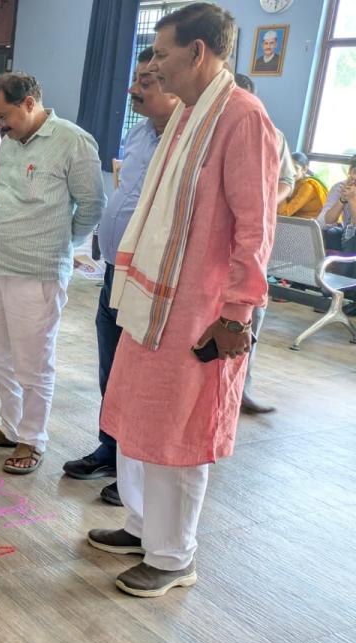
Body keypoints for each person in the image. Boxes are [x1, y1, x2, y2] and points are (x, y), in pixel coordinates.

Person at [90, 2, 279, 598]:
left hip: (200, 311)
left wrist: (237, 313)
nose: (154, 65)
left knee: (180, 430)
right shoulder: (187, 115)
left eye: (162, 53)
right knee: (141, 417)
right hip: (154, 303)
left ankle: (174, 556)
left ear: (198, 52)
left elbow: (255, 228)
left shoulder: (242, 117)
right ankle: (143, 526)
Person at [0, 72, 104, 474]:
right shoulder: (9, 142)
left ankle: (32, 439)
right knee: (1, 357)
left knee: (33, 363)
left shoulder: (72, 141)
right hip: (1, 264)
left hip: (39, 271)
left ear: (28, 103)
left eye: (3, 115)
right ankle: (10, 426)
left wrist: (61, 243)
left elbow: (92, 205)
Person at [63, 48, 178, 506]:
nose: (132, 90)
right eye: (135, 79)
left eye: (146, 82)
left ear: (175, 85)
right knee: (112, 368)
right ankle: (111, 450)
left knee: (141, 376)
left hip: (152, 277)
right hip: (116, 269)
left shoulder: (186, 142)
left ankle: (137, 470)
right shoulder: (139, 133)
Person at [232, 72, 295, 415]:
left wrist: (265, 200)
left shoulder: (273, 134)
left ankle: (243, 389)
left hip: (253, 236)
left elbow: (287, 180)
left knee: (249, 315)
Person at [277, 151, 328, 218]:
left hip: (312, 222)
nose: (291, 172)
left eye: (296, 168)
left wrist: (284, 188)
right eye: (289, 168)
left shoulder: (308, 186)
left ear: (304, 169)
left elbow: (283, 214)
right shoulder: (296, 182)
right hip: (298, 219)